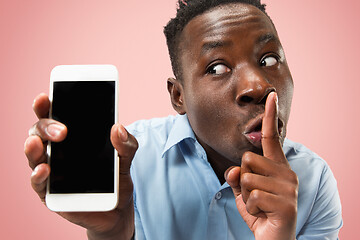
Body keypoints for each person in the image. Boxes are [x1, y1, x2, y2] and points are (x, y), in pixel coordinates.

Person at [24, 0, 343, 239]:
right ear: (179, 96)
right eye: (217, 68)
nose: (256, 86)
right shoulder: (125, 162)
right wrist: (112, 235)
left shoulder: (313, 182)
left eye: (269, 59)